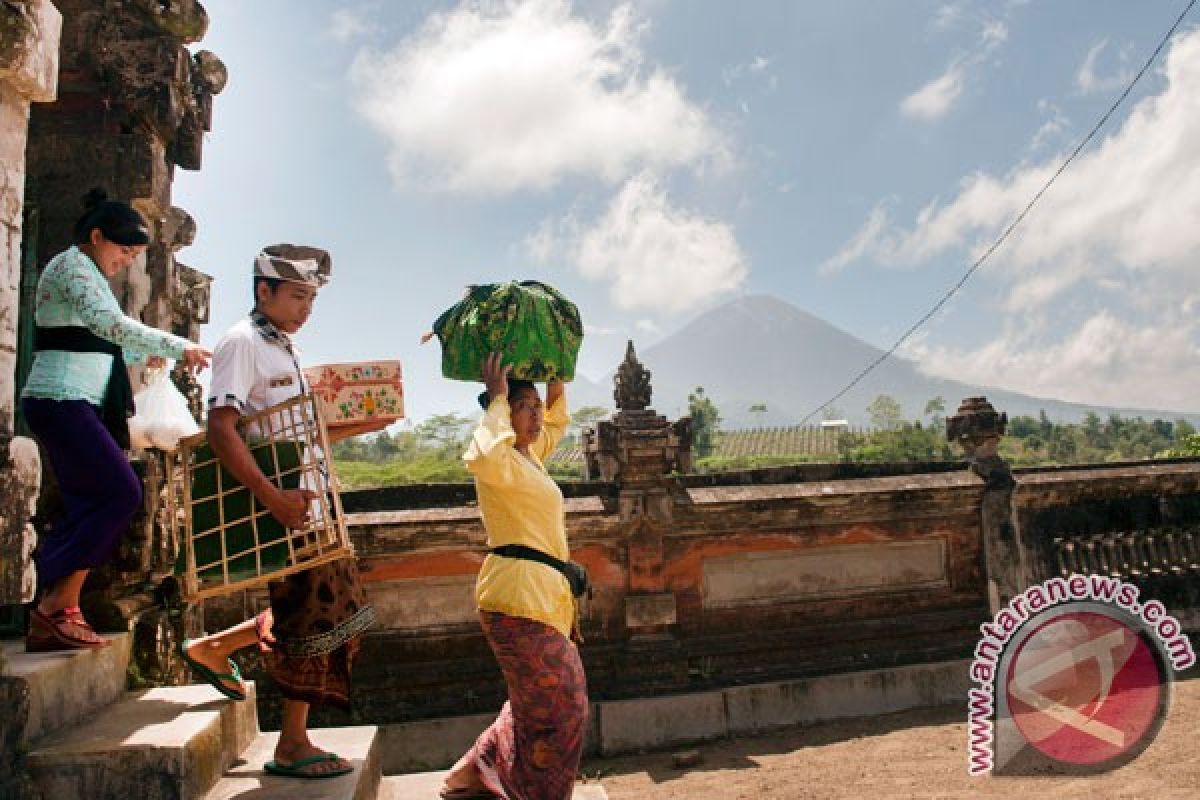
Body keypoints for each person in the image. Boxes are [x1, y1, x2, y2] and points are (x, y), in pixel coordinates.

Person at [177, 244, 377, 780]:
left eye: (312, 298)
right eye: (297, 296)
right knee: (317, 616)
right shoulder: (242, 344)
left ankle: (214, 647)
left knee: (338, 609)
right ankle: (292, 743)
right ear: (263, 291)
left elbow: (288, 426)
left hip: (304, 506)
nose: (306, 307)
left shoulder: (281, 346)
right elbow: (223, 428)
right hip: (278, 508)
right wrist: (272, 497)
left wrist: (366, 423)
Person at [21, 189, 211, 652]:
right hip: (59, 398)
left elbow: (99, 341)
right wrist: (174, 344)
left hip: (77, 403)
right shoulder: (71, 267)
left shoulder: (87, 274)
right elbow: (109, 327)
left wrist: (150, 356)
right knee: (121, 491)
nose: (126, 261)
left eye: (134, 255)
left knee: (96, 500)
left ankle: (55, 607)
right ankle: (50, 597)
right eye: (123, 251)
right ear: (96, 236)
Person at [441, 352, 589, 800]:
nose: (535, 413)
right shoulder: (498, 459)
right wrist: (500, 398)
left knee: (534, 701)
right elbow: (483, 454)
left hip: (543, 599)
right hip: (515, 600)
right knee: (566, 704)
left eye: (534, 405)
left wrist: (555, 384)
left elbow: (556, 423)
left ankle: (472, 770)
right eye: (524, 406)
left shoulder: (529, 457)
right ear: (503, 411)